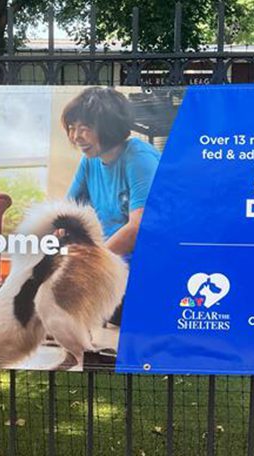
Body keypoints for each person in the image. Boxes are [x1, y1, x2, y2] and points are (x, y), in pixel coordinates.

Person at [61, 87, 161, 324]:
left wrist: (91, 265)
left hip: (146, 259)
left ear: (108, 127)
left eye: (84, 128)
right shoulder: (89, 163)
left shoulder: (138, 158)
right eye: (72, 128)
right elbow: (66, 216)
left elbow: (138, 228)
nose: (76, 136)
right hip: (111, 258)